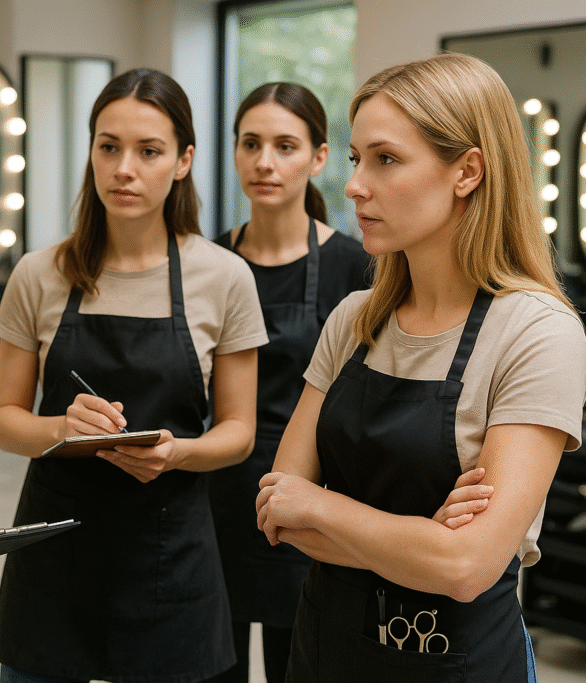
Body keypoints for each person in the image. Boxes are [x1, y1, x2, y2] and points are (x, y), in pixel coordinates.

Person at [256, 52, 586, 682]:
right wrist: (420, 540)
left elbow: (467, 569)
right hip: (324, 653)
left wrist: (325, 509)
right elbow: (278, 512)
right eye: (356, 159)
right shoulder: (353, 320)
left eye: (385, 159)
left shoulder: (538, 332)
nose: (355, 185)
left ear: (467, 171)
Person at [0, 68, 268, 683]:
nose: (124, 169)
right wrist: (62, 427)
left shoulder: (223, 278)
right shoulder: (40, 274)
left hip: (170, 557)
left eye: (149, 151)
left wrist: (177, 453)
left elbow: (240, 431)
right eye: (108, 147)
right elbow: (4, 423)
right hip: (53, 558)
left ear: (183, 160)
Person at [205, 82, 370, 683]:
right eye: (251, 144)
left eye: (284, 145)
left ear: (320, 158)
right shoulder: (208, 262)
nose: (265, 163)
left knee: (294, 668)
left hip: (304, 499)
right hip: (214, 498)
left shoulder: (356, 266)